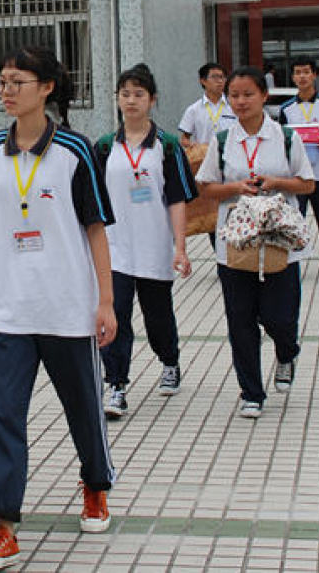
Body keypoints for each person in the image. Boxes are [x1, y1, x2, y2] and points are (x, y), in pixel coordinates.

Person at [0, 46, 117, 570]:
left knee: (83, 410)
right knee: (3, 417)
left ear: (47, 88)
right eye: (2, 83)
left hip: (68, 308)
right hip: (11, 312)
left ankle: (96, 486)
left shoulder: (75, 151)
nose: (6, 91)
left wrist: (105, 300)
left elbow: (96, 229)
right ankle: (2, 528)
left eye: (17, 82)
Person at [196, 67, 314, 420]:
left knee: (280, 317)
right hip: (235, 244)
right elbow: (205, 187)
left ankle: (286, 352)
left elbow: (307, 184)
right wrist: (236, 187)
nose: (241, 101)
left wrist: (275, 181)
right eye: (234, 95)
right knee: (240, 320)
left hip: (278, 242)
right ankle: (251, 391)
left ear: (264, 95)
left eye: (248, 94)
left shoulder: (285, 137)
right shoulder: (221, 140)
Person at [95, 64, 196, 419]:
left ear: (152, 100)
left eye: (139, 94)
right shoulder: (106, 147)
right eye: (125, 94)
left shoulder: (167, 146)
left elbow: (178, 198)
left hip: (154, 247)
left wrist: (180, 247)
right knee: (115, 314)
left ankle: (170, 360)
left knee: (158, 318)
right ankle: (116, 385)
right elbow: (93, 201)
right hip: (115, 248)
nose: (131, 100)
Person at [280, 58, 319, 273]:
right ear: (293, 77)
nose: (302, 77)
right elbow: (281, 139)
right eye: (298, 72)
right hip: (297, 172)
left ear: (314, 75)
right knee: (295, 214)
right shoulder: (286, 108)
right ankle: (293, 254)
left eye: (306, 72)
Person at [178, 63, 236, 148]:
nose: (220, 81)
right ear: (203, 81)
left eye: (222, 77)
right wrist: (195, 146)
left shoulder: (234, 106)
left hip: (230, 156)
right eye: (214, 77)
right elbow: (184, 139)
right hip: (205, 157)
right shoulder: (194, 109)